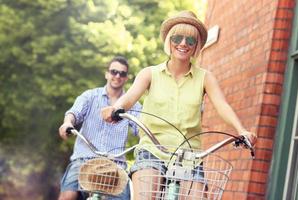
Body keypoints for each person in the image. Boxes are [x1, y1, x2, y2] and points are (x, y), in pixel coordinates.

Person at [101, 11, 257, 199]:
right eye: (177, 38)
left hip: (189, 155)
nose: (183, 44)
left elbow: (222, 105)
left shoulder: (205, 78)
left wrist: (241, 129)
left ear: (197, 46)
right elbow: (129, 98)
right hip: (152, 150)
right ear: (169, 41)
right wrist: (115, 108)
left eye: (190, 40)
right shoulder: (150, 74)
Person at [58, 56, 142, 200]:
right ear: (107, 74)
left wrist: (147, 140)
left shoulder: (132, 105)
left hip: (114, 165)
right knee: (68, 195)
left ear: (127, 78)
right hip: (84, 160)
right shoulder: (90, 96)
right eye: (114, 71)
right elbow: (74, 113)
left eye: (122, 73)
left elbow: (141, 127)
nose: (117, 76)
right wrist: (67, 123)